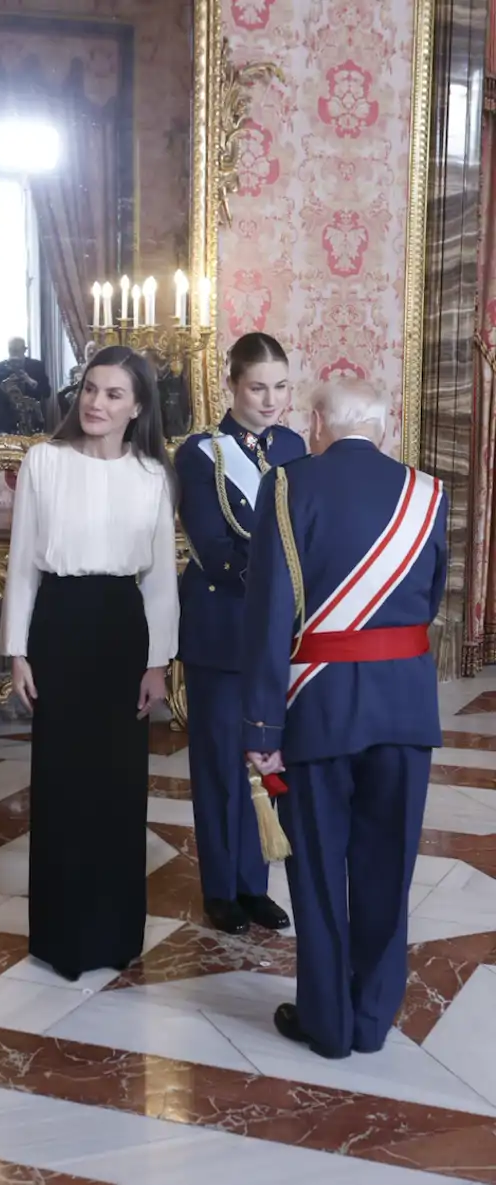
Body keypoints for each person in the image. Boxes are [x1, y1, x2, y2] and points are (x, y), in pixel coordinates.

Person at [242, 378, 447, 1059]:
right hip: (405, 705)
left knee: (320, 869)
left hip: (318, 706)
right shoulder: (429, 493)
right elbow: (431, 594)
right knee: (390, 867)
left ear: (318, 425)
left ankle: (326, 1022)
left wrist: (263, 731)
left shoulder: (288, 484)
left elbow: (270, 612)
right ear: (385, 429)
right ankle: (371, 1016)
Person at [0, 345, 179, 981]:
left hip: (122, 630)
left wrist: (158, 662)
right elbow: (23, 563)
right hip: (60, 625)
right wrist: (16, 648)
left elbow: (159, 580)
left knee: (119, 786)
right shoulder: (43, 462)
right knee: (62, 782)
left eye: (112, 395)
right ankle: (61, 937)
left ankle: (115, 934)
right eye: (90, 390)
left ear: (137, 408)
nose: (96, 404)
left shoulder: (153, 474)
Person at [175, 332, 304, 935]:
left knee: (269, 757)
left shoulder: (295, 446)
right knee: (221, 765)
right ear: (231, 385)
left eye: (280, 386)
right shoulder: (202, 453)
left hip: (281, 636)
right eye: (258, 387)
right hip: (223, 626)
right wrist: (280, 583)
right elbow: (213, 547)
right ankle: (221, 887)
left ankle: (257, 884)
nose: (271, 399)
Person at [0, 337, 51, 426]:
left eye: (17, 350)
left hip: (32, 418)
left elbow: (47, 392)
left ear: (24, 350)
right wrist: (3, 387)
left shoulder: (37, 366)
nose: (14, 353)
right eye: (11, 350)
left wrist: (31, 381)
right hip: (7, 419)